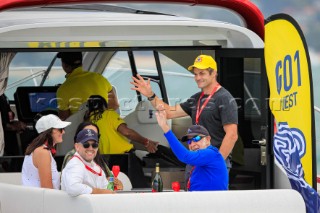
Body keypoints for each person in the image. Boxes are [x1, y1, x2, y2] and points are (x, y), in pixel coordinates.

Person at [131, 54, 238, 167]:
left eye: (202, 73)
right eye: (195, 74)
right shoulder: (197, 98)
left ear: (214, 73)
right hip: (195, 158)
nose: (197, 78)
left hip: (213, 161)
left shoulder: (224, 98)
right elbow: (168, 112)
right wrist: (151, 95)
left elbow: (232, 135)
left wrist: (218, 162)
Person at [84, 95, 159, 188]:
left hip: (102, 161)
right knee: (137, 187)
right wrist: (146, 142)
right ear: (104, 105)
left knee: (113, 187)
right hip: (123, 160)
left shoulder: (87, 122)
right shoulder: (109, 114)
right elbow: (127, 132)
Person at [156, 106, 228, 191]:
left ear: (208, 140)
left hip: (211, 203)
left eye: (196, 138)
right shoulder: (194, 163)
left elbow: (185, 156)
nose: (192, 144)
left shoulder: (211, 153)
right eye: (189, 141)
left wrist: (165, 128)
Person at [56, 52, 119, 120]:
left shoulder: (63, 89)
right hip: (104, 126)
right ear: (81, 63)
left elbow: (64, 118)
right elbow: (114, 105)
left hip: (81, 128)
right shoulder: (100, 78)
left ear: (65, 65)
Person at [61, 121, 123, 190]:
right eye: (86, 144)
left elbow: (109, 177)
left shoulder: (96, 156)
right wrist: (99, 190)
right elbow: (74, 185)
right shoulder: (72, 157)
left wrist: (116, 181)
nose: (90, 148)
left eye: (94, 144)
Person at [21, 114, 71, 189]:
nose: (63, 132)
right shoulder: (42, 152)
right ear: (49, 132)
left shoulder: (39, 150)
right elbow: (47, 189)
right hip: (41, 200)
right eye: (60, 129)